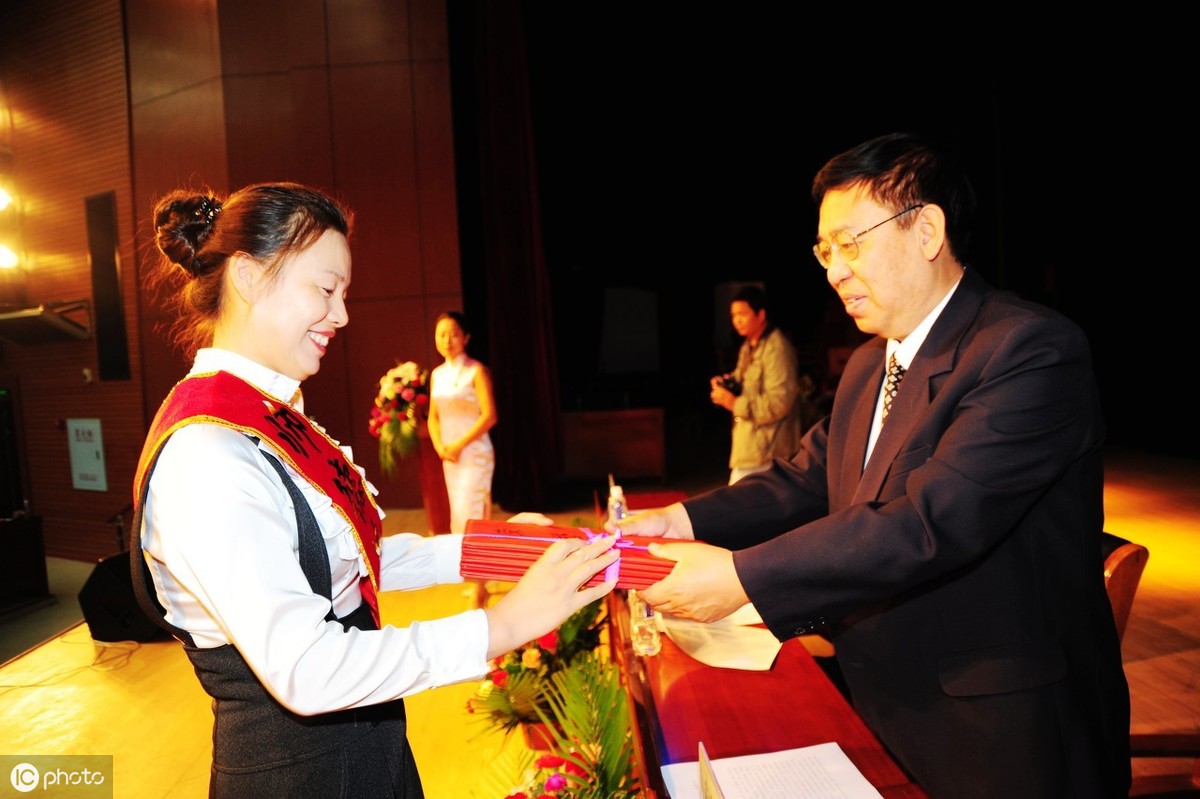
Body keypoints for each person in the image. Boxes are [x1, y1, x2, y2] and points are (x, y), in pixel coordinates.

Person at [619, 134, 1131, 798]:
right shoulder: (870, 362)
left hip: (998, 729)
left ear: (927, 230)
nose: (833, 271)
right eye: (824, 251)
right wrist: (681, 520)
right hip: (879, 696)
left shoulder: (1028, 350)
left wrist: (742, 576)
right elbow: (805, 478)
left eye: (850, 243)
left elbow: (927, 521)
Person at [131, 182, 618, 798]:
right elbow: (307, 669)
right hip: (299, 777)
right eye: (326, 289)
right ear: (250, 277)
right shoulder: (209, 454)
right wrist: (504, 624)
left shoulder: (264, 418)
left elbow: (350, 563)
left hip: (366, 751)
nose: (341, 314)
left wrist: (496, 549)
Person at [710, 284, 804, 484]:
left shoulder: (777, 349)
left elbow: (779, 403)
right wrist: (726, 384)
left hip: (768, 450)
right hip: (751, 446)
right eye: (734, 315)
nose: (737, 321)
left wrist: (735, 403)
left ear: (760, 315)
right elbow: (742, 380)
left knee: (736, 506)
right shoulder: (749, 346)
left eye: (743, 314)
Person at [427, 311, 496, 534]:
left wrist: (459, 445)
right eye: (442, 334)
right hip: (450, 456)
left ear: (465, 338)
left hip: (474, 453)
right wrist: (440, 448)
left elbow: (490, 416)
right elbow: (433, 417)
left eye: (453, 334)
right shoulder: (437, 374)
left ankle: (477, 562)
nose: (447, 340)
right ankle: (461, 564)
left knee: (471, 511)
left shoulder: (476, 371)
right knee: (458, 513)